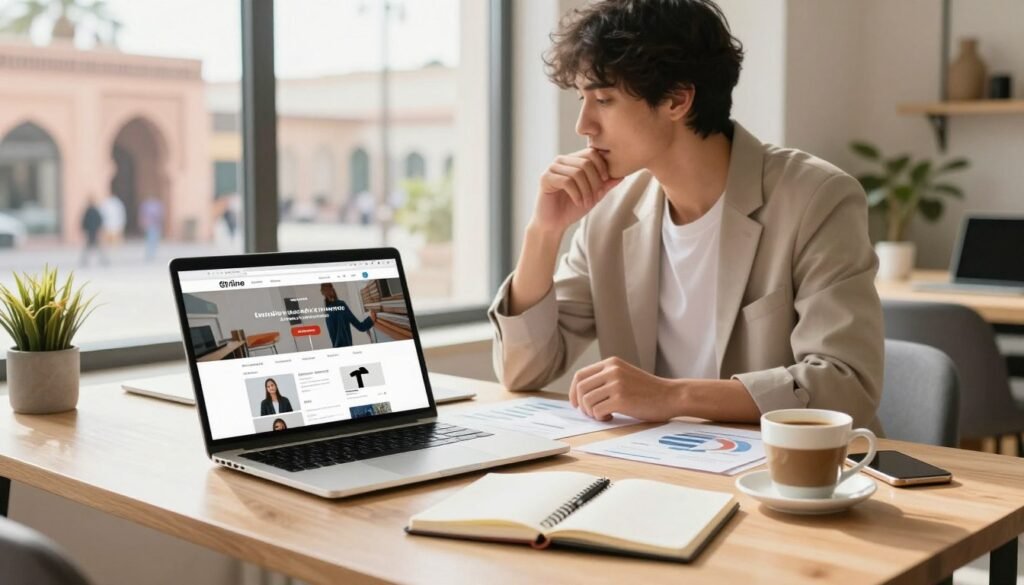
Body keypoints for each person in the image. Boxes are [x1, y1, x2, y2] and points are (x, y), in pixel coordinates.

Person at [489, 0, 884, 431]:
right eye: (583, 99)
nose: (584, 124)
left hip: (788, 477)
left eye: (603, 98)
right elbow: (522, 371)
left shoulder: (816, 198)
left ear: (677, 99)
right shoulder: (611, 217)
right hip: (659, 469)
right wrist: (544, 232)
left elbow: (846, 385)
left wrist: (671, 396)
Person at [321, 283, 375, 347]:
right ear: (333, 290)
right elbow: (361, 327)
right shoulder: (340, 305)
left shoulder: (327, 311)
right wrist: (371, 320)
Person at [79, 196, 107, 267]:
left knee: (93, 247)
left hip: (92, 231)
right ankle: (102, 259)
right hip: (92, 231)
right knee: (94, 246)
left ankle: (85, 260)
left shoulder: (91, 211)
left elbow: (85, 222)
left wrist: (84, 229)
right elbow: (99, 220)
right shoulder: (92, 211)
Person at [138, 195, 164, 261]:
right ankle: (150, 253)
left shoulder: (147, 205)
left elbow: (142, 215)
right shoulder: (155, 205)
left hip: (153, 224)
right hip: (152, 224)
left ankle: (150, 254)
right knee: (151, 239)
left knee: (151, 239)